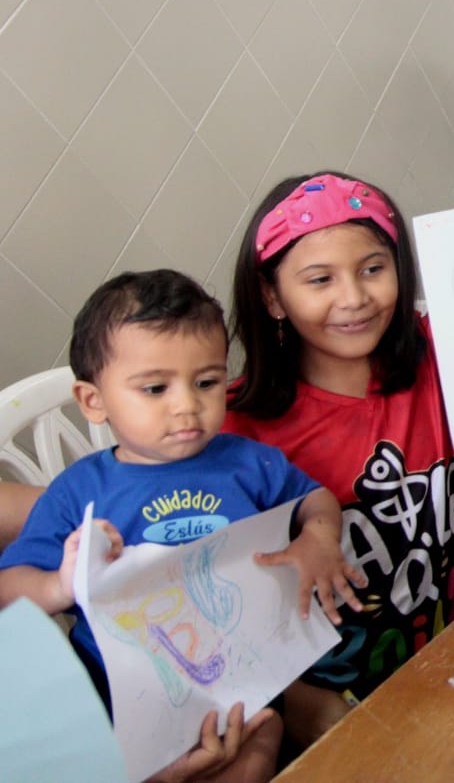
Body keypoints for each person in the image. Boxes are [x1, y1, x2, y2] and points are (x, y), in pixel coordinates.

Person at [0, 270, 360, 780]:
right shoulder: (78, 492)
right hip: (126, 713)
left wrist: (319, 535)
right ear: (93, 402)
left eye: (207, 382)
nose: (186, 404)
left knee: (263, 738)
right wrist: (60, 584)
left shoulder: (246, 461)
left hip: (246, 686)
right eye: (155, 388)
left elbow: (314, 498)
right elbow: (9, 593)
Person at [224, 171, 454, 746]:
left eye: (373, 268)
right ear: (271, 296)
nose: (355, 298)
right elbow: (211, 617)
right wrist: (305, 709)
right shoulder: (233, 430)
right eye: (320, 279)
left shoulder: (436, 357)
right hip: (316, 722)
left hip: (442, 679)